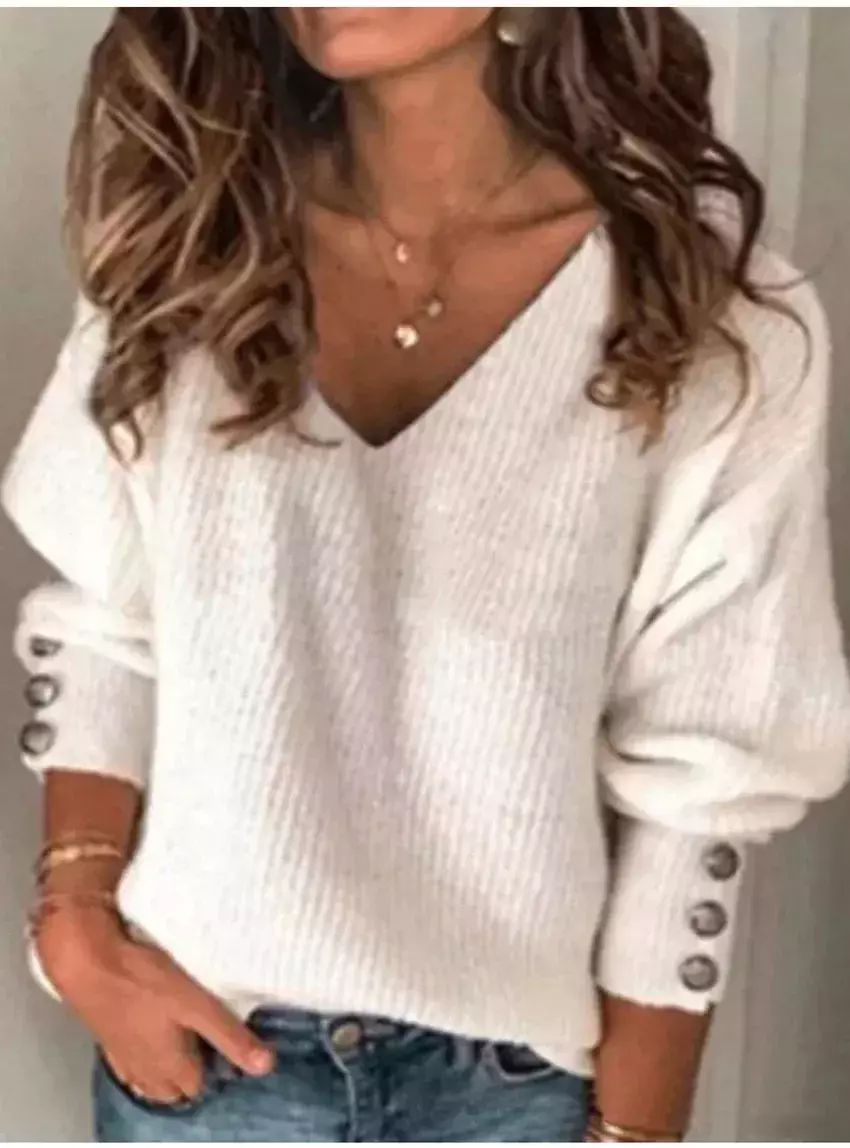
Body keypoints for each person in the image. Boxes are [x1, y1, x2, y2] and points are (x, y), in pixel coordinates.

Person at [4, 7, 850, 1144]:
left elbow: (703, 769)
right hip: (202, 1068)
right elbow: (105, 616)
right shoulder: (198, 233)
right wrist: (75, 918)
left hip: (514, 1097)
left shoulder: (711, 308)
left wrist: (634, 1133)